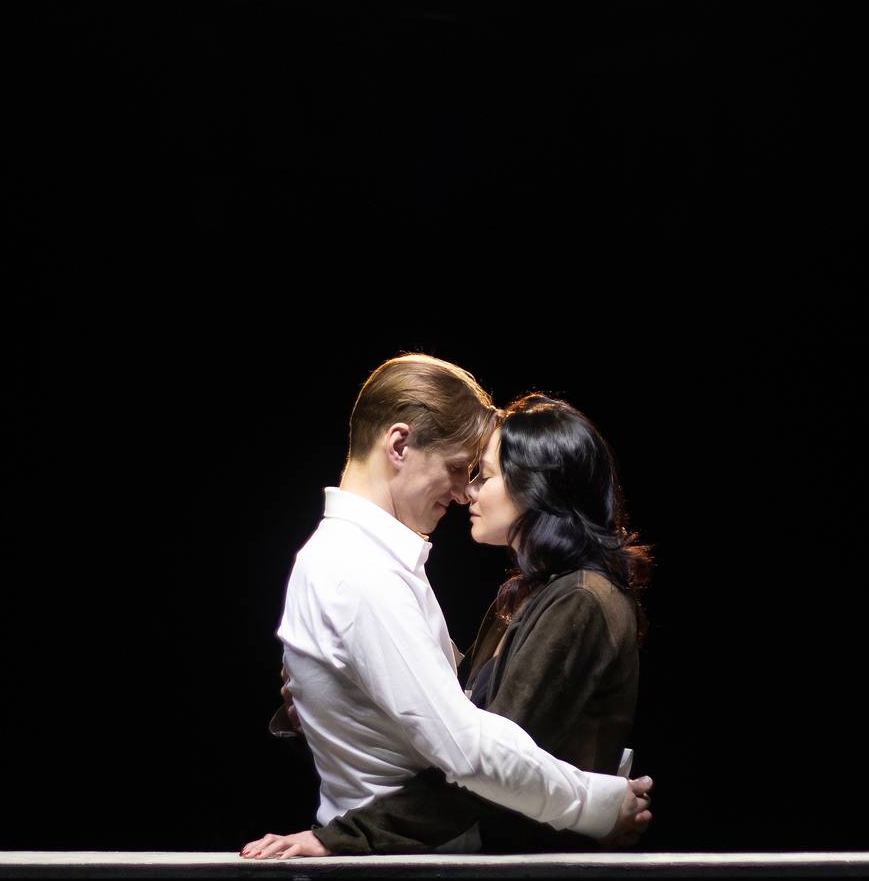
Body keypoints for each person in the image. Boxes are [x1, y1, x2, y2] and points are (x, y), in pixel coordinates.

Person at [240, 357, 652, 861]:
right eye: (458, 469)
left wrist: (331, 701)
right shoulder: (361, 570)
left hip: (431, 854)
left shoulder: (378, 564)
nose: (463, 492)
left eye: (480, 474)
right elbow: (467, 749)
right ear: (398, 446)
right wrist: (599, 804)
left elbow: (456, 727)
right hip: (412, 861)